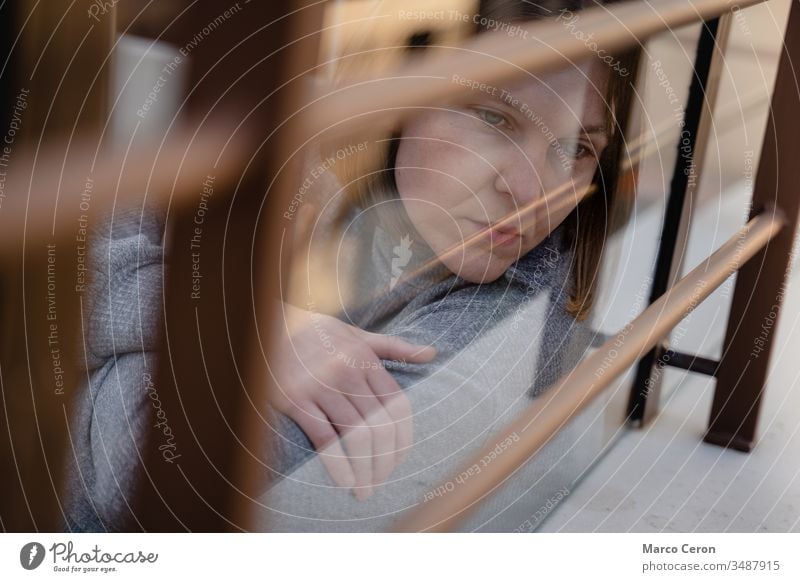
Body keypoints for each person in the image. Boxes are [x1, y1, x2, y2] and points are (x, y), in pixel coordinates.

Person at [63, 0, 639, 532]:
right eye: (493, 119)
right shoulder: (295, 167)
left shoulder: (501, 329)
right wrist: (264, 329)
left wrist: (233, 338)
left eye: (577, 149)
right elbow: (64, 278)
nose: (531, 192)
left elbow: (158, 484)